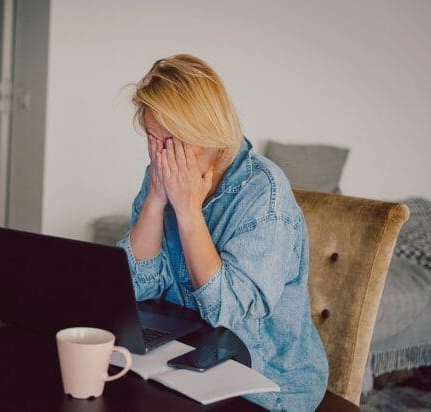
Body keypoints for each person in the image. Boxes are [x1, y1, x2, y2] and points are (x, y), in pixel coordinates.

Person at [117, 54, 329, 411]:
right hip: (185, 359)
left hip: (264, 383)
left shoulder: (264, 195)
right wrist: (155, 200)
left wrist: (188, 210)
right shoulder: (160, 173)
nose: (162, 155)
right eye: (153, 138)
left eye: (172, 140)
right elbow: (136, 288)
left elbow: (225, 311)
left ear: (208, 132)